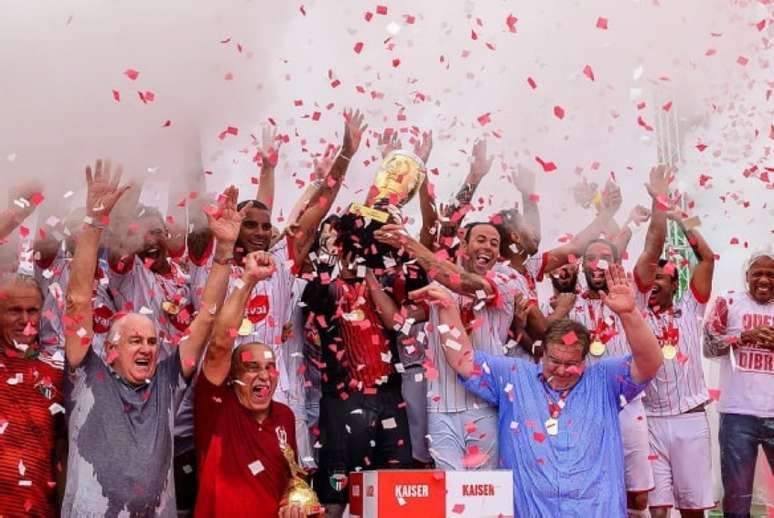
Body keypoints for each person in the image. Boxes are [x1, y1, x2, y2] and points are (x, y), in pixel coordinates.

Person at [60, 160, 231, 517]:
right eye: (135, 341)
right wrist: (94, 223)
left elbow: (204, 323)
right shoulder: (85, 376)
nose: (147, 349)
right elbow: (77, 299)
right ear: (109, 349)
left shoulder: (167, 383)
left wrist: (225, 252)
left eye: (152, 342)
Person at [430, 263, 662, 517]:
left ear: (585, 360)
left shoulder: (603, 380)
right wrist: (447, 308)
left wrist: (629, 313)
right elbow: (464, 361)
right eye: (555, 362)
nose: (562, 370)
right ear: (542, 354)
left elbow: (650, 362)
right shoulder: (516, 376)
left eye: (571, 364)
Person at [375, 219, 522, 470]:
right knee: (449, 492)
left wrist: (409, 244)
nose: (487, 247)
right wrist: (369, 275)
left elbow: (464, 284)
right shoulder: (436, 287)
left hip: (486, 405)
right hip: (441, 407)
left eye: (494, 244)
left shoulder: (507, 281)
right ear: (464, 246)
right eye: (481, 240)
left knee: (483, 491)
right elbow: (397, 320)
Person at [194, 248, 309, 518]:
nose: (264, 375)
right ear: (232, 377)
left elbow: (291, 478)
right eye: (252, 367)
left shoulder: (285, 416)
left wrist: (295, 500)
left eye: (270, 367)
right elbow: (221, 344)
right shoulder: (217, 406)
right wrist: (248, 280)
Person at [632, 166, 717, 517]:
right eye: (649, 281)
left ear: (675, 284)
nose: (652, 285)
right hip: (650, 419)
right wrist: (657, 206)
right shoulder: (637, 311)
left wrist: (680, 215)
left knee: (693, 509)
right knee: (659, 509)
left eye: (660, 281)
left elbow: (707, 258)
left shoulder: (692, 308)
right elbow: (650, 253)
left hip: (690, 420)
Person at [704, 251, 774, 518]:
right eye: (758, 273)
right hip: (737, 415)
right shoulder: (729, 301)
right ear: (747, 277)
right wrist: (744, 337)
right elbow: (709, 347)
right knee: (737, 496)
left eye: (771, 274)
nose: (764, 279)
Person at [0, 273, 65, 516]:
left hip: (35, 510)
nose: (25, 320)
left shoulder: (57, 373)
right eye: (14, 310)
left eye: (32, 311)